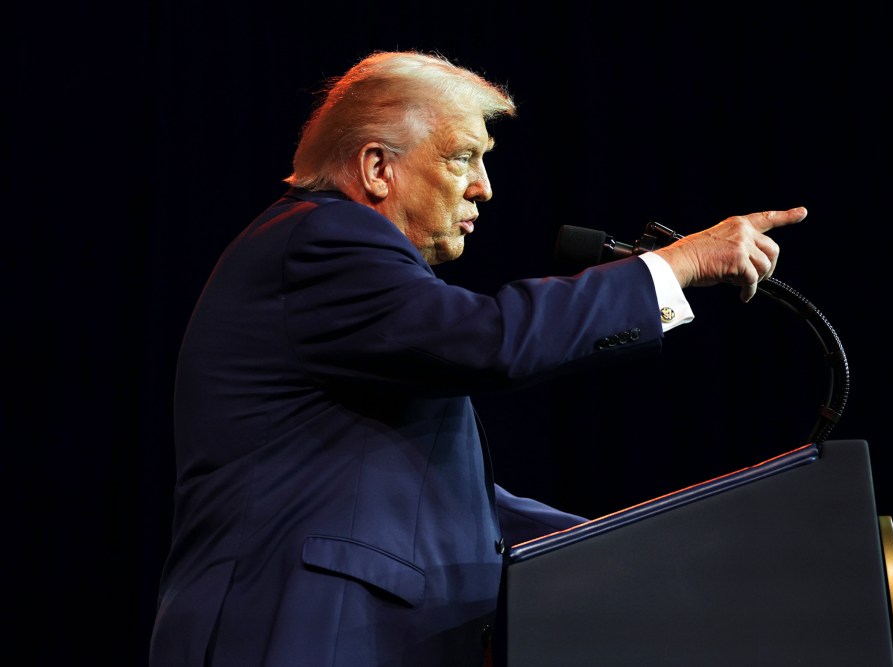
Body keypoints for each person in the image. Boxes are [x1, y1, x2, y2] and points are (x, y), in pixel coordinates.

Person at [148, 49, 807, 667]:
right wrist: (677, 263)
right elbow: (492, 339)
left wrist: (653, 546)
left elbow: (455, 508)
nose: (484, 188)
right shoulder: (322, 238)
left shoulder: (340, 281)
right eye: (463, 157)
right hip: (301, 628)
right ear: (378, 167)